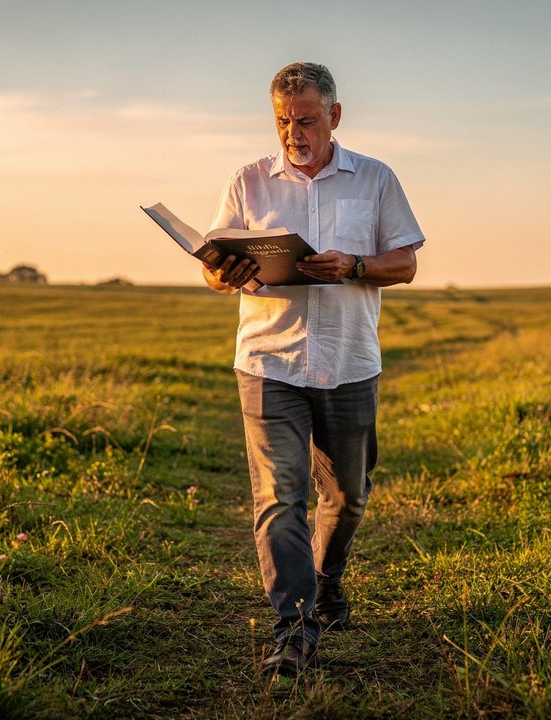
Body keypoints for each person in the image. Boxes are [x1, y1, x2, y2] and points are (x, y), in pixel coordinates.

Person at [203, 62, 425, 678]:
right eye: (281, 121)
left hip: (350, 362)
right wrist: (226, 273)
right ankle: (293, 627)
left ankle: (329, 580)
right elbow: (215, 268)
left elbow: (404, 262)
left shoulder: (376, 178)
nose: (292, 133)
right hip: (268, 360)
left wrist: (354, 266)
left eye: (303, 120)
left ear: (333, 115)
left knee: (347, 497)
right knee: (279, 496)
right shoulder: (247, 181)